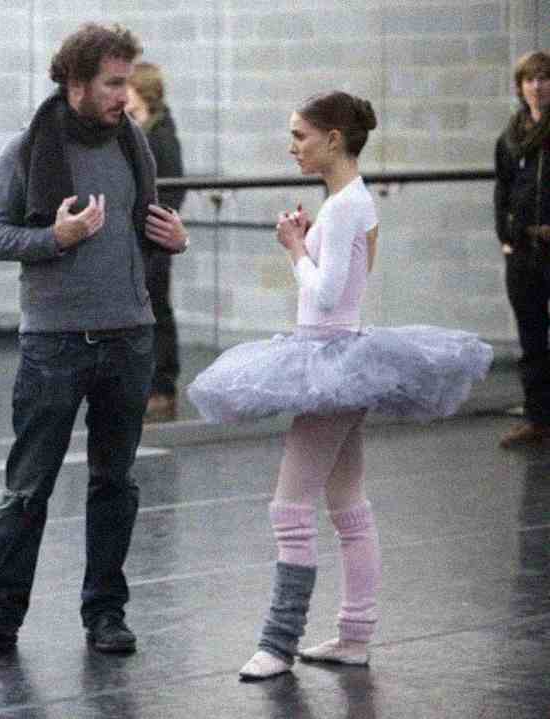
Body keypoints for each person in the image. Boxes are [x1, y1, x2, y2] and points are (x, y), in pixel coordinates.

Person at [187, 92, 492, 679]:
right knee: (347, 506)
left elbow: (327, 296)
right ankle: (354, 635)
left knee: (290, 508)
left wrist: (295, 246)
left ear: (333, 138)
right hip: (338, 355)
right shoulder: (349, 203)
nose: (292, 146)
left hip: (330, 359)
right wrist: (306, 245)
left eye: (300, 135)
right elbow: (334, 291)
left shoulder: (347, 205)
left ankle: (277, 644)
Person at [0, 23, 189, 659]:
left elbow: (146, 226)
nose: (124, 96)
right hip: (54, 345)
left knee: (117, 483)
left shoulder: (135, 143)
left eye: (128, 83)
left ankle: (105, 614)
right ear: (75, 83)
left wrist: (174, 238)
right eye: (113, 84)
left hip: (129, 337)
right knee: (28, 488)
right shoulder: (26, 151)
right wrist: (55, 238)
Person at [127, 62, 187, 421]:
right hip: (144, 234)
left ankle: (162, 385)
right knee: (149, 309)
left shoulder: (160, 134)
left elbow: (170, 189)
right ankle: (150, 383)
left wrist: (157, 230)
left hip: (154, 235)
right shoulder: (143, 129)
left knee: (157, 310)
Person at [495, 51, 550, 448]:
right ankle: (538, 419)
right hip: (524, 251)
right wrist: (506, 238)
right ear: (520, 86)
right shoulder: (511, 136)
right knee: (531, 339)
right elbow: (502, 190)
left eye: (544, 79)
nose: (537, 86)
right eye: (530, 80)